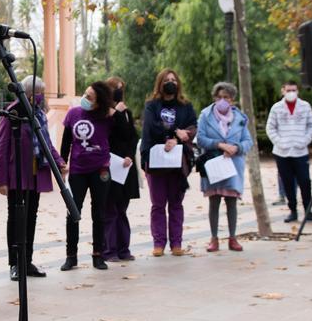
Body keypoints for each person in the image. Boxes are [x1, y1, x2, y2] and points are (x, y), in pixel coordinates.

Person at [0, 75, 65, 280]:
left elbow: (47, 142)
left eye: (42, 92)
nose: (40, 96)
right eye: (37, 92)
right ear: (26, 93)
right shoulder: (13, 112)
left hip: (36, 174)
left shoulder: (40, 115)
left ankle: (27, 261)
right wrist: (1, 179)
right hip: (17, 174)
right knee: (16, 218)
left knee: (31, 217)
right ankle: (14, 264)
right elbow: (2, 146)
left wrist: (59, 161)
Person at [141, 69, 197, 256]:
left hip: (177, 162)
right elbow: (151, 125)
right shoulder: (151, 105)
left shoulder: (186, 106)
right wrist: (174, 133)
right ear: (160, 83)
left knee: (176, 203)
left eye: (173, 79)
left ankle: (176, 243)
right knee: (158, 204)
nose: (170, 82)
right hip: (156, 162)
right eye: (166, 80)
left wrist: (178, 139)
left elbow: (192, 128)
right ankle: (158, 243)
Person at [60, 82, 114, 271]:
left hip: (101, 170)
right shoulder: (73, 114)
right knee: (73, 212)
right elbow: (66, 141)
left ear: (99, 102)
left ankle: (98, 255)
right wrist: (62, 162)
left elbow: (125, 134)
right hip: (77, 170)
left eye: (90, 97)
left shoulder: (107, 117)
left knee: (99, 213)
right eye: (85, 94)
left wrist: (117, 113)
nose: (85, 98)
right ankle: (71, 256)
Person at [197, 82, 254, 251]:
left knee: (231, 202)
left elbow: (248, 141)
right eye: (219, 97)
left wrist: (237, 148)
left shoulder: (240, 118)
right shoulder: (205, 116)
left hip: (233, 165)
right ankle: (214, 238)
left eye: (226, 97)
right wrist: (220, 145)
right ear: (215, 98)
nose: (222, 100)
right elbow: (200, 139)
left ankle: (233, 237)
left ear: (232, 100)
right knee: (213, 202)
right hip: (213, 163)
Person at [266, 80, 312, 223]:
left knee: (305, 181)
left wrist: (305, 140)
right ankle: (293, 210)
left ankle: (308, 211)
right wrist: (280, 142)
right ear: (283, 91)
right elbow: (270, 128)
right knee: (287, 182)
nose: (291, 93)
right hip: (282, 152)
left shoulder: (305, 106)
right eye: (288, 90)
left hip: (300, 151)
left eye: (294, 90)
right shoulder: (277, 108)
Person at [102, 76, 139, 261]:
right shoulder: (105, 113)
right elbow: (108, 134)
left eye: (121, 87)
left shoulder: (126, 111)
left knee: (122, 210)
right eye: (116, 87)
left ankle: (124, 249)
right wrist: (116, 113)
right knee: (111, 211)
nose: (119, 90)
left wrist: (130, 156)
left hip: (125, 167)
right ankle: (109, 250)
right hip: (110, 167)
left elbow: (131, 136)